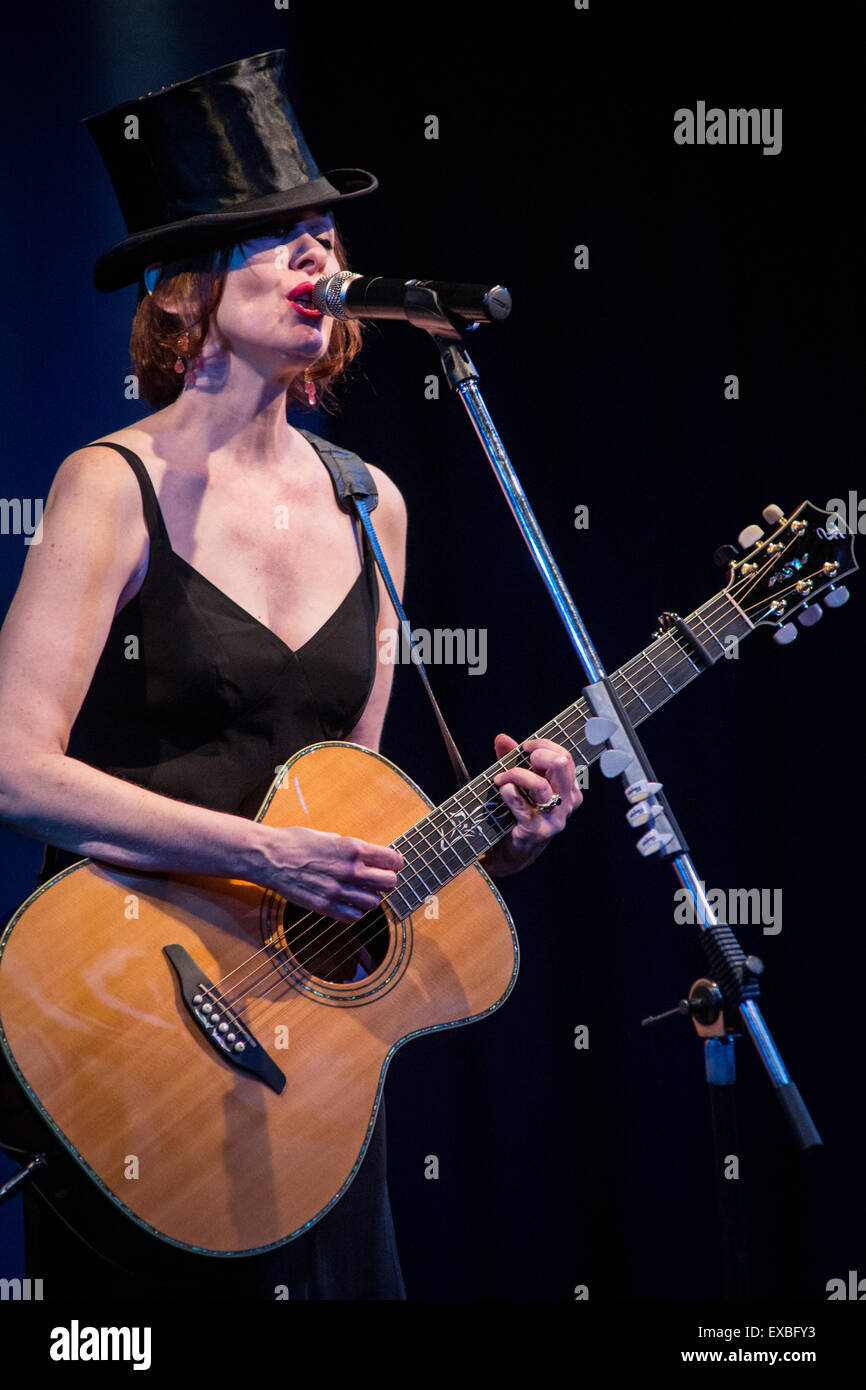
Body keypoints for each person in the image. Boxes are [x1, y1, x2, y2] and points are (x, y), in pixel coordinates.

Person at [0, 51, 583, 1299]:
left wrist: (501, 834)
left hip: (303, 1052)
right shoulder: (113, 484)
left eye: (326, 237)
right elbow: (11, 770)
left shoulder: (371, 501)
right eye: (284, 242)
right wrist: (261, 856)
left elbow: (348, 801)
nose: (322, 262)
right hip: (134, 1012)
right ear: (184, 293)